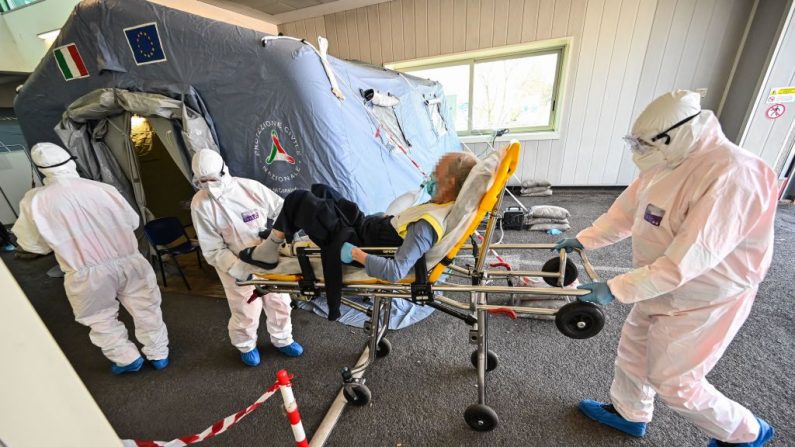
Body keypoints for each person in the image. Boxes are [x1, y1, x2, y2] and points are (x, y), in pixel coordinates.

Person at [554, 90, 777, 446]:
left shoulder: (732, 174)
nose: (638, 151)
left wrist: (617, 288)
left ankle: (745, 433)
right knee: (634, 349)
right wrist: (587, 239)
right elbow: (627, 211)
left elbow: (689, 259)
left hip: (706, 294)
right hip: (657, 280)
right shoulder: (668, 161)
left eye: (644, 144)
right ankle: (630, 413)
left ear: (673, 134)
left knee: (676, 381)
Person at [241, 152, 478, 321]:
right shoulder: (438, 205)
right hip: (365, 226)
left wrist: (354, 253)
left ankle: (270, 250)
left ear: (449, 182)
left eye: (436, 172)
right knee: (321, 190)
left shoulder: (427, 226)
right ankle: (283, 231)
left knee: (299, 199)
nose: (430, 175)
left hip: (357, 242)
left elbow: (395, 272)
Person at [12, 143, 169, 374]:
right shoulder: (102, 188)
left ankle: (126, 358)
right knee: (147, 308)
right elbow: (133, 221)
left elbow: (32, 245)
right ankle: (159, 354)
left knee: (100, 318)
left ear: (40, 169)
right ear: (70, 161)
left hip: (86, 272)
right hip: (129, 260)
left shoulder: (34, 201)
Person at [189, 149, 303, 367]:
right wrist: (239, 268)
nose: (209, 185)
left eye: (213, 179)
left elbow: (282, 209)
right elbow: (213, 248)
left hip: (268, 255)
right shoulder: (200, 204)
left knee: (279, 301)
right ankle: (246, 345)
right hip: (232, 263)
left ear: (224, 171)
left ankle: (282, 339)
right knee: (245, 309)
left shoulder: (250, 188)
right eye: (203, 181)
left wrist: (278, 234)